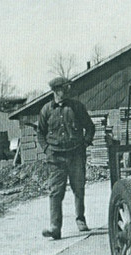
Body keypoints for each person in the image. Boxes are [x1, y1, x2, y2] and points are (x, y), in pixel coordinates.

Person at [37, 77, 95, 240]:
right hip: (56, 158)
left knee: (79, 188)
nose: (65, 92)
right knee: (56, 192)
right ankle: (55, 227)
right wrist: (47, 149)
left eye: (66, 89)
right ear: (55, 91)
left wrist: (85, 142)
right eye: (62, 89)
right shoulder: (46, 110)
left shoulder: (76, 107)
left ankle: (80, 219)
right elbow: (40, 133)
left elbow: (90, 127)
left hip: (76, 154)